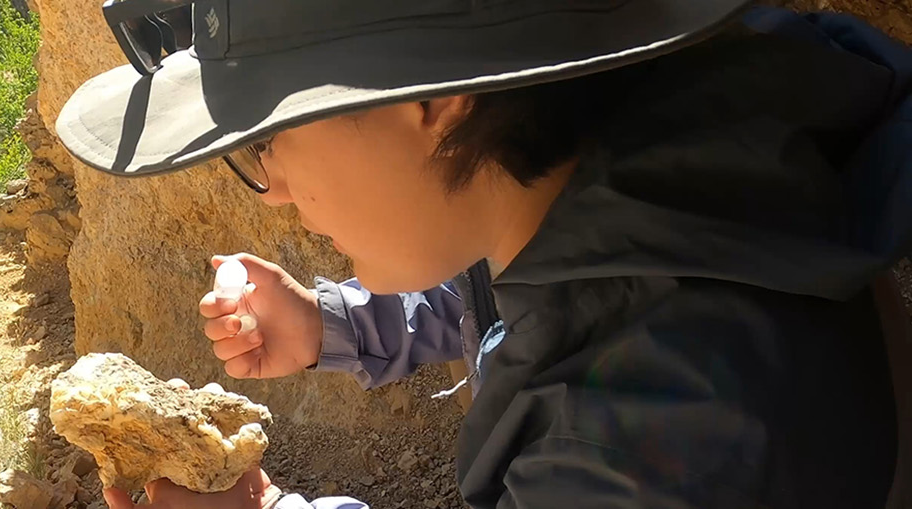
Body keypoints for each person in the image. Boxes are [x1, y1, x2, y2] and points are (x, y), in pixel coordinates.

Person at [55, 1, 912, 507]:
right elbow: (504, 279)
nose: (270, 186)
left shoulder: (643, 444)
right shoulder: (641, 146)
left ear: (437, 99)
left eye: (268, 137)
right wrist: (330, 322)